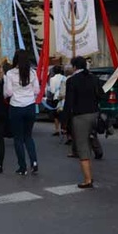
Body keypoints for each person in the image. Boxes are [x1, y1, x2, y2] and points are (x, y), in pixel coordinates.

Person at [64, 56, 102, 188]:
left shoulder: (72, 81)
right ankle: (91, 172)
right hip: (95, 114)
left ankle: (88, 179)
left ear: (74, 67)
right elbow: (101, 95)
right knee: (92, 139)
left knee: (83, 147)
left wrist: (65, 122)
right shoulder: (94, 78)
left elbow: (69, 103)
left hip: (80, 116)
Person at [4, 49, 40, 176]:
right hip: (30, 106)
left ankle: (22, 167)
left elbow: (8, 92)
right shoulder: (33, 72)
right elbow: (37, 90)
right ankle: (34, 162)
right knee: (28, 136)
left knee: (18, 138)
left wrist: (15, 93)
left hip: (16, 106)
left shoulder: (10, 73)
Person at [47, 65, 66, 136]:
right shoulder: (65, 78)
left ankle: (57, 129)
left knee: (56, 115)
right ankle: (64, 129)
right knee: (63, 113)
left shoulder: (52, 79)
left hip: (56, 98)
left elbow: (52, 91)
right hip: (64, 97)